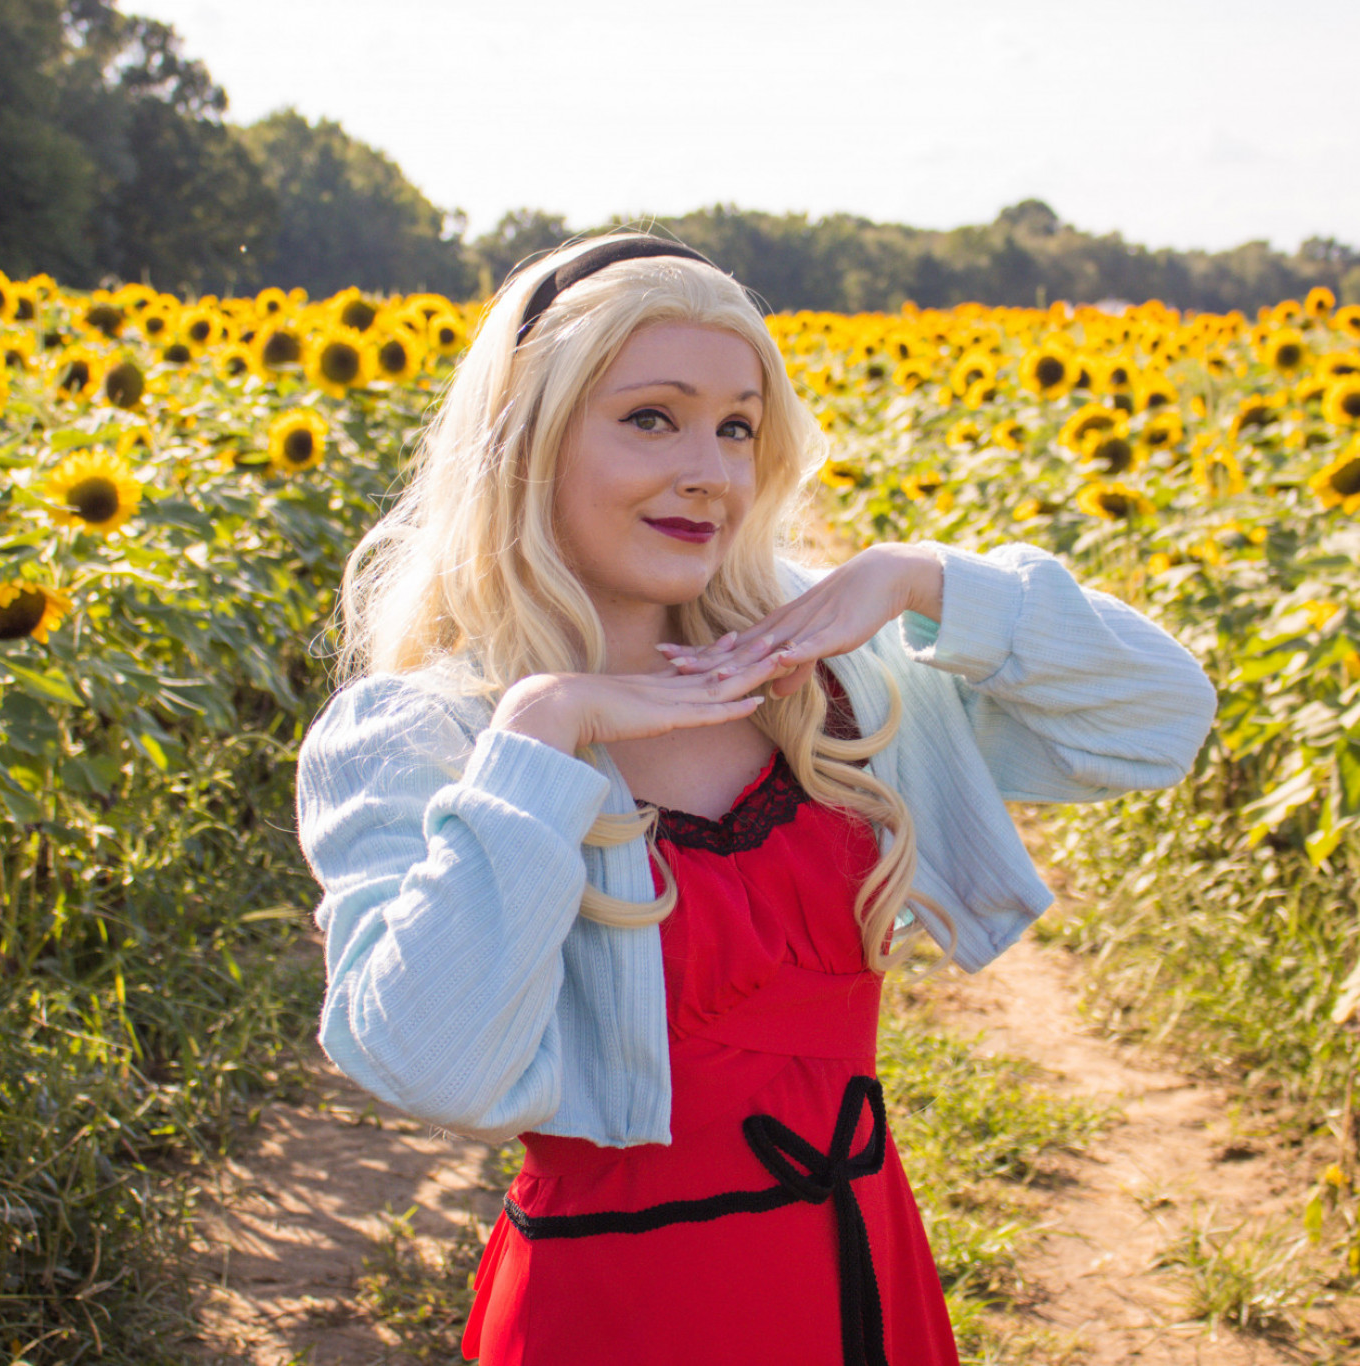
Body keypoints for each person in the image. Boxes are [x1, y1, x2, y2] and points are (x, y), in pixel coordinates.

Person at [294, 233, 1217, 1366]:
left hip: (858, 1268)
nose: (712, 473)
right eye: (651, 418)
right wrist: (544, 728)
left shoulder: (825, 677)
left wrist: (919, 577)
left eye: (737, 427)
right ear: (525, 441)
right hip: (620, 1308)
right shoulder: (428, 731)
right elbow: (429, 1065)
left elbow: (1159, 718)